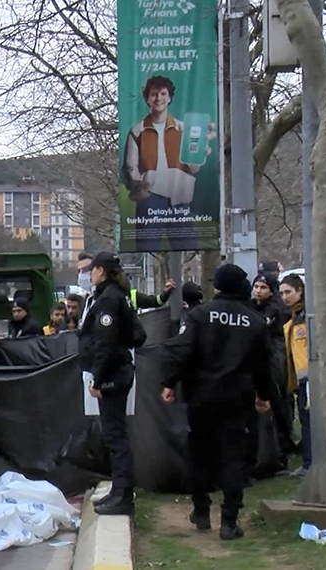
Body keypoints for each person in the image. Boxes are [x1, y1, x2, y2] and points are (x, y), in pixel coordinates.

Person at [162, 264, 274, 540]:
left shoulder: (199, 315)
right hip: (237, 398)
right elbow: (263, 366)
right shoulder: (255, 322)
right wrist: (264, 395)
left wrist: (169, 382)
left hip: (201, 396)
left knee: (199, 453)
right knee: (234, 457)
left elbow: (183, 351)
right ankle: (229, 520)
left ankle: (201, 510)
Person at [123, 75, 215, 251]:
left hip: (179, 199)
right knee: (146, 248)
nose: (158, 98)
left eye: (163, 93)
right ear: (147, 99)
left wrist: (199, 153)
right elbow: (131, 166)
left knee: (188, 246)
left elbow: (193, 168)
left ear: (170, 98)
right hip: (150, 199)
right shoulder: (137, 130)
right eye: (154, 94)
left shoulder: (183, 129)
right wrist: (142, 188)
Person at [78, 252, 138, 516]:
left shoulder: (108, 300)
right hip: (117, 371)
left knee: (116, 438)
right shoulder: (115, 296)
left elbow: (106, 342)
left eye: (91, 270)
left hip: (113, 375)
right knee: (114, 436)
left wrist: (99, 379)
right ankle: (118, 490)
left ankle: (123, 495)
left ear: (100, 271)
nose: (89, 274)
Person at [251, 274, 293, 473]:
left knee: (277, 403)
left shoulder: (274, 309)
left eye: (263, 288)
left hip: (272, 358)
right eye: (256, 287)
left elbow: (261, 327)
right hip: (258, 358)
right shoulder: (251, 306)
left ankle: (282, 448)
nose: (258, 291)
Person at [280, 275, 310, 477]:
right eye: (282, 293)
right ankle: (309, 462)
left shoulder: (304, 317)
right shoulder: (293, 317)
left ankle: (310, 464)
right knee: (306, 422)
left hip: (307, 378)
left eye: (288, 292)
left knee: (308, 422)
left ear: (300, 291)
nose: (284, 297)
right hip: (301, 380)